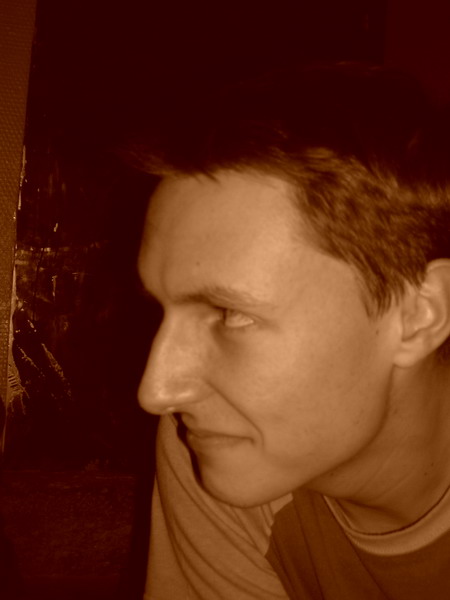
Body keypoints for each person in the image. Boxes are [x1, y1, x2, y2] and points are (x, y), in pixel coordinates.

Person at [132, 63, 450, 599]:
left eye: (230, 314)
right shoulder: (217, 444)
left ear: (420, 314)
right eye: (162, 312)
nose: (158, 391)